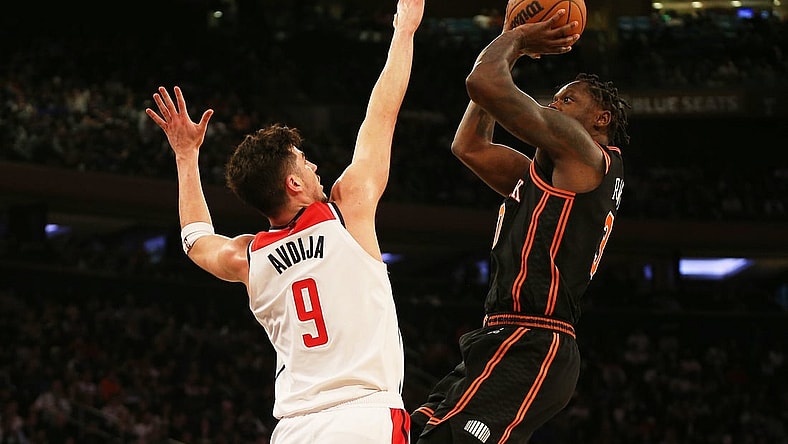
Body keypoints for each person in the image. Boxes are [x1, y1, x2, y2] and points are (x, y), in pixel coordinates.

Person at [144, 0, 424, 442]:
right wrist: (405, 30)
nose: (315, 167)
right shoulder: (346, 211)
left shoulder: (248, 257)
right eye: (306, 162)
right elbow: (381, 115)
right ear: (294, 182)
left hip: (294, 429)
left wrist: (185, 157)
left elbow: (195, 241)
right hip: (363, 417)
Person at [410, 10, 631, 443]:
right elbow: (469, 146)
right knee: (413, 431)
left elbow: (484, 83)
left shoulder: (586, 155)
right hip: (502, 334)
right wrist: (510, 56)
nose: (553, 105)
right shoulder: (542, 172)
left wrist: (516, 39)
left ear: (599, 119)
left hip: (534, 338)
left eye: (567, 100)